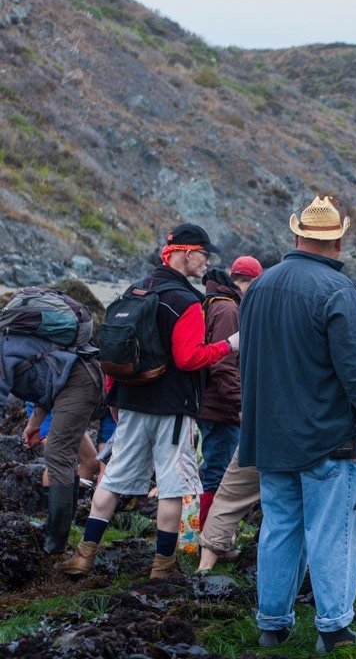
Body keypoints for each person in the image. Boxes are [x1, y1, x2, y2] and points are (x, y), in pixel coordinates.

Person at [237, 195, 356, 654]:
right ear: (339, 241)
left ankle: (272, 625)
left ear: (296, 235)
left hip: (270, 434)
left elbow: (248, 362)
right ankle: (334, 630)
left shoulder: (259, 287)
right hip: (327, 436)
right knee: (331, 531)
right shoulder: (338, 290)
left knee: (279, 526)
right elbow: (355, 369)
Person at [60, 223, 238, 579]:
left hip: (130, 401)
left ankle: (83, 555)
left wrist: (114, 396)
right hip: (171, 407)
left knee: (113, 478)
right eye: (205, 254)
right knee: (172, 485)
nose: (208, 262)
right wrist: (227, 346)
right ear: (187, 253)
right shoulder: (186, 301)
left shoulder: (136, 290)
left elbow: (115, 348)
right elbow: (188, 358)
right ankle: (163, 565)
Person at [3, 327, 103, 554]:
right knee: (62, 455)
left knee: (57, 454)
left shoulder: (3, 347)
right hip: (72, 380)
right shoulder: (12, 342)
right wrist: (34, 423)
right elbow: (47, 380)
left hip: (79, 381)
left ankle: (55, 542)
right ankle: (56, 529)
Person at [196, 255, 263, 573]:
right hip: (221, 407)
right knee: (219, 474)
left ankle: (213, 540)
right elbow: (223, 364)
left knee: (214, 469)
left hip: (210, 402)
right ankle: (212, 544)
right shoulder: (228, 309)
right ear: (249, 281)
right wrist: (239, 405)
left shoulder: (212, 302)